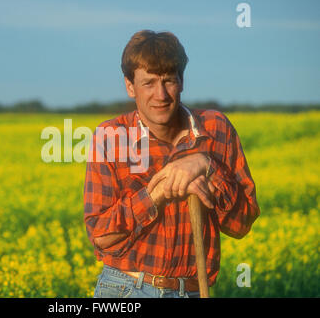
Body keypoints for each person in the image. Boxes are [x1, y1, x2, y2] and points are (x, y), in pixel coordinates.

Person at [83, 30, 260, 298]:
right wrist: (158, 194)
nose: (161, 94)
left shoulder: (217, 129)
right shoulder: (110, 138)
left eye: (168, 81)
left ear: (182, 81)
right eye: (148, 83)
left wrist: (207, 165)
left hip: (190, 290)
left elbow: (241, 225)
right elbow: (101, 236)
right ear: (130, 87)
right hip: (124, 290)